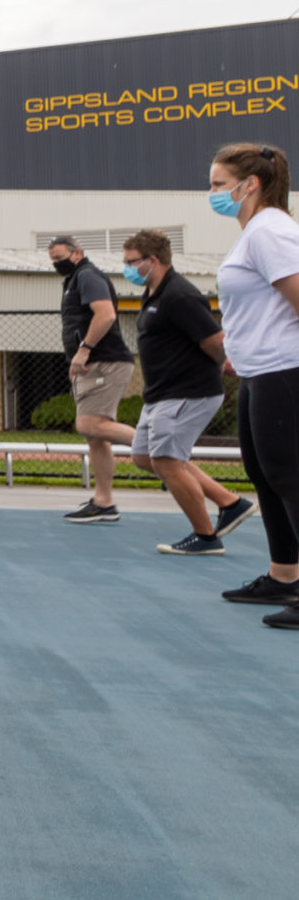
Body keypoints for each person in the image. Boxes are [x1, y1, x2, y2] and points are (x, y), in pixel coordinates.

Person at [204, 145, 299, 627]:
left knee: (290, 476)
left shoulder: (271, 231)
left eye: (219, 185)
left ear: (251, 184)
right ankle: (285, 577)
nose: (213, 194)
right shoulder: (255, 234)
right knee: (266, 476)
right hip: (260, 368)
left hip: (285, 369)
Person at [121, 230, 253, 556]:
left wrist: (222, 363)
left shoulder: (179, 295)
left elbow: (215, 340)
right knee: (144, 457)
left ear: (152, 261)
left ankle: (206, 537)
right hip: (161, 394)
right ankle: (230, 502)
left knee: (166, 461)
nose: (126, 268)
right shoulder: (154, 293)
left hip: (187, 392)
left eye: (131, 262)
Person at [48, 234, 137, 524]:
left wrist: (84, 350)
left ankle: (154, 444)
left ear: (78, 253)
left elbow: (106, 315)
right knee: (95, 436)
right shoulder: (74, 280)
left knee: (89, 424)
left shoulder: (88, 276)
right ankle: (104, 502)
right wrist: (76, 358)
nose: (56, 264)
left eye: (60, 259)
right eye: (53, 261)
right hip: (90, 366)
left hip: (105, 362)